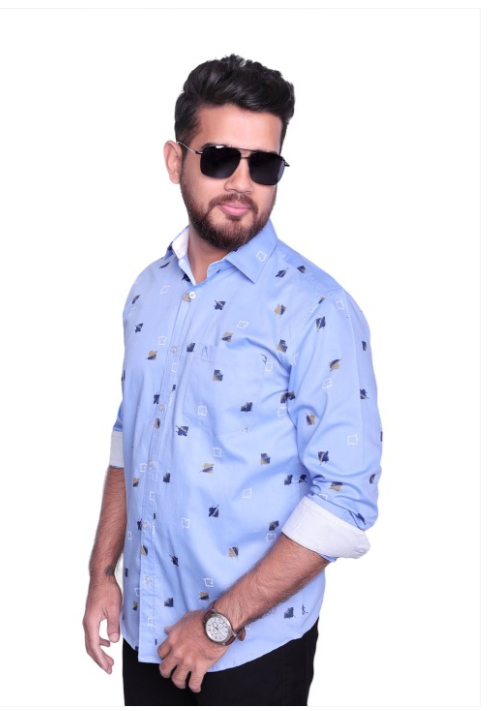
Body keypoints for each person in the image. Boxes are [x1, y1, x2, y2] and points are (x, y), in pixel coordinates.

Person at [83, 54, 382, 706]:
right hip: (145, 628)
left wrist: (219, 624)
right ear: (175, 160)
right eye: (220, 158)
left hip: (251, 651)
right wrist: (103, 572)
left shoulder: (319, 309)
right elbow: (129, 438)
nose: (242, 183)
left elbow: (345, 499)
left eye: (264, 165)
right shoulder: (148, 291)